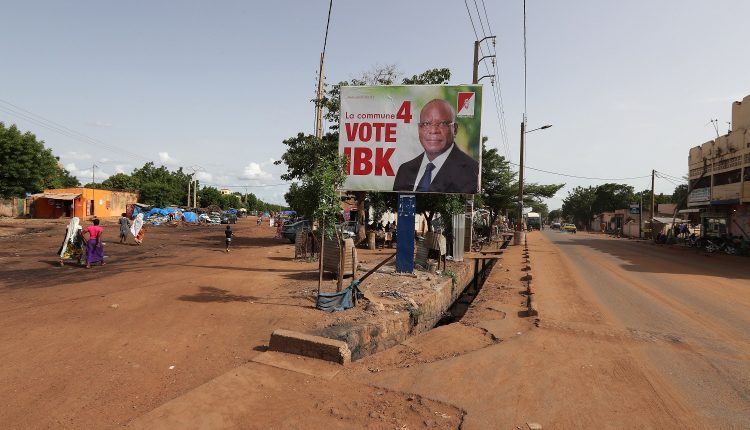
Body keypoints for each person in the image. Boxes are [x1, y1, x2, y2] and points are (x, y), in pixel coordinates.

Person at [392, 99, 479, 193]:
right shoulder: (404, 170)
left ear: (455, 129)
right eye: (426, 124)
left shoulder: (472, 171)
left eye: (442, 124)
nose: (433, 130)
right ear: (419, 129)